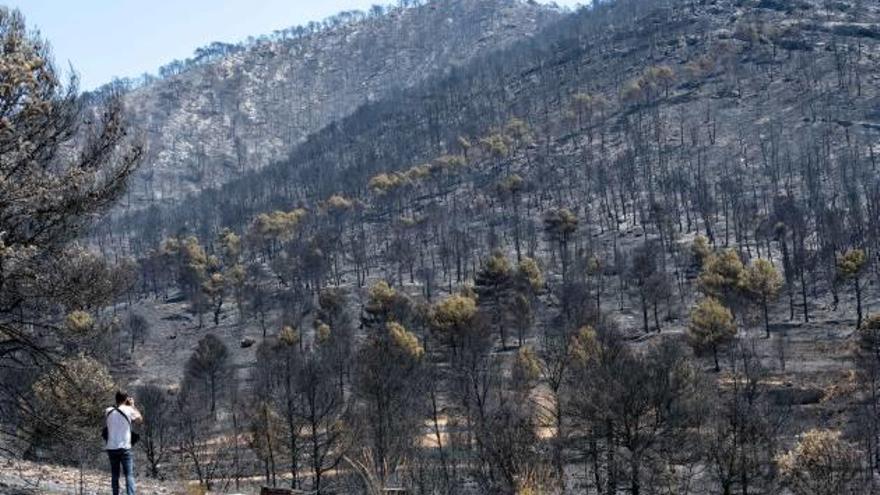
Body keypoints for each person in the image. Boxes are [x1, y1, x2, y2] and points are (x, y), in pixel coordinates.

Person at [105, 390, 143, 495]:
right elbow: (140, 420)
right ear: (126, 399)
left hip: (111, 447)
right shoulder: (129, 409)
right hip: (125, 447)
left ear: (116, 399)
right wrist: (133, 406)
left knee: (115, 475)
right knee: (129, 475)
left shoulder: (108, 410)